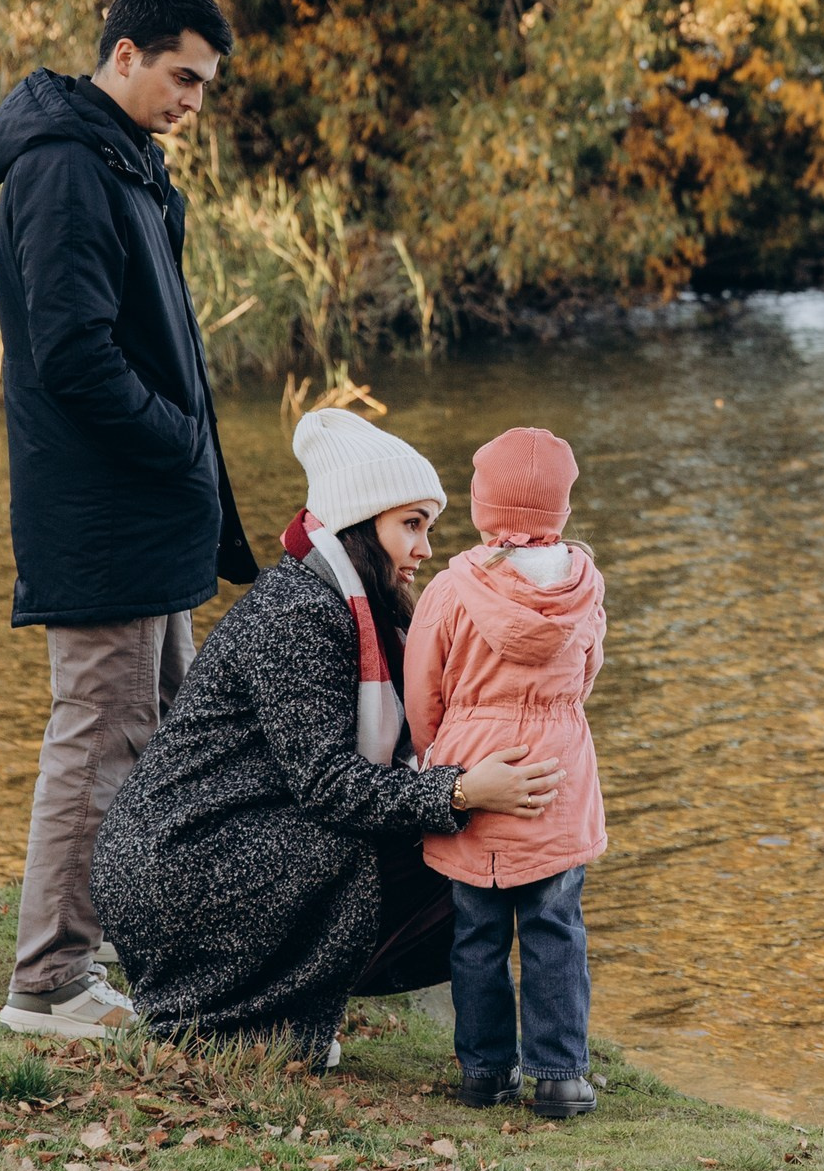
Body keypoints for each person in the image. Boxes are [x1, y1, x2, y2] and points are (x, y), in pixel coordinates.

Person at [0, 0, 260, 1040]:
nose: (192, 100)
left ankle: (164, 960)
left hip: (150, 515)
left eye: (205, 84)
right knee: (98, 740)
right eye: (182, 75)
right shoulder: (65, 167)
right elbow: (73, 354)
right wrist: (178, 440)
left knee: (168, 743)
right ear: (125, 54)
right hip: (105, 515)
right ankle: (49, 981)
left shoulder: (123, 159)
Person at [91, 409, 562, 1060]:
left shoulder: (337, 602)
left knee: (469, 846)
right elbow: (328, 785)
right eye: (412, 525)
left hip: (209, 845)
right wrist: (460, 791)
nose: (425, 549)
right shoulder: (299, 613)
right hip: (177, 868)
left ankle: (272, 1010)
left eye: (429, 527)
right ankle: (222, 1017)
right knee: (416, 844)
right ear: (361, 524)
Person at [404, 427, 608, 1119]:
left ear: (482, 505)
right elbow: (586, 673)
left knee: (476, 932)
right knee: (556, 927)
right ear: (563, 507)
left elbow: (423, 688)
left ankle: (486, 1072)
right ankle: (561, 1077)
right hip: (557, 775)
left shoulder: (452, 588)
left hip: (475, 770)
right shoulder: (583, 585)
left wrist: (438, 758)